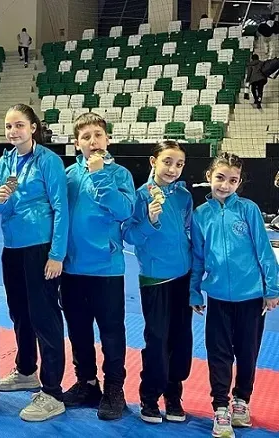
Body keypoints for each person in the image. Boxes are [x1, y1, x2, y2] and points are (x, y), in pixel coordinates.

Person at [190, 152, 279, 438]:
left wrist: (272, 289)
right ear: (209, 177)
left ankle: (241, 401)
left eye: (232, 180)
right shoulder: (200, 215)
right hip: (218, 299)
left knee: (247, 352)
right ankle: (220, 407)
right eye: (220, 178)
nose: (225, 185)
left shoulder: (249, 210)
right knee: (218, 355)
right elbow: (197, 257)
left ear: (239, 182)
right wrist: (194, 291)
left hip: (251, 298)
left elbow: (264, 252)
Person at [0, 104, 69, 422]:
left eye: (19, 125)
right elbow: (0, 209)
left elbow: (61, 207)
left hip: (40, 247)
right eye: (9, 126)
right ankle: (26, 370)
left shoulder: (48, 161)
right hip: (12, 246)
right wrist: (1, 198)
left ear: (33, 127)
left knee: (44, 316)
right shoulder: (4, 161)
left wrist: (57, 254)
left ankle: (52, 391)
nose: (13, 131)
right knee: (20, 313)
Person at [61, 112, 135, 421]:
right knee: (78, 331)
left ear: (108, 139)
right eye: (86, 137)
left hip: (106, 269)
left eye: (98, 135)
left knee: (112, 333)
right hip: (71, 268)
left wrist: (99, 175)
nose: (93, 141)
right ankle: (87, 383)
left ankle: (114, 388)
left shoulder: (119, 174)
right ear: (76, 143)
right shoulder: (67, 175)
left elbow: (124, 210)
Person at [121, 141, 193, 424]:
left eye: (179, 164)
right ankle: (150, 397)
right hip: (155, 278)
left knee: (181, 340)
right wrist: (150, 219)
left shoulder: (184, 196)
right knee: (157, 339)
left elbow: (188, 232)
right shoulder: (140, 196)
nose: (173, 169)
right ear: (154, 161)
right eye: (167, 162)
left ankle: (173, 395)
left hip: (183, 277)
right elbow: (129, 235)